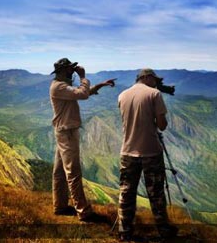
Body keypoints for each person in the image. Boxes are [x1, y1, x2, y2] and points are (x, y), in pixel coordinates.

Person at [49, 57, 115, 222]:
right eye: (70, 69)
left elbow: (80, 93)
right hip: (68, 133)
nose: (73, 72)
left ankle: (60, 206)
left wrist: (98, 86)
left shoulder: (61, 86)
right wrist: (83, 76)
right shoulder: (59, 86)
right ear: (64, 71)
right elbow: (82, 94)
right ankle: (83, 212)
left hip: (62, 132)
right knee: (73, 173)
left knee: (59, 172)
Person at [117, 68, 178, 241]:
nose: (157, 83)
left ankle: (124, 231)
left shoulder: (122, 95)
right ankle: (164, 231)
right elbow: (162, 125)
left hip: (127, 151)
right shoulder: (154, 94)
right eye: (155, 79)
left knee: (126, 192)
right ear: (147, 77)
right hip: (150, 150)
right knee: (156, 193)